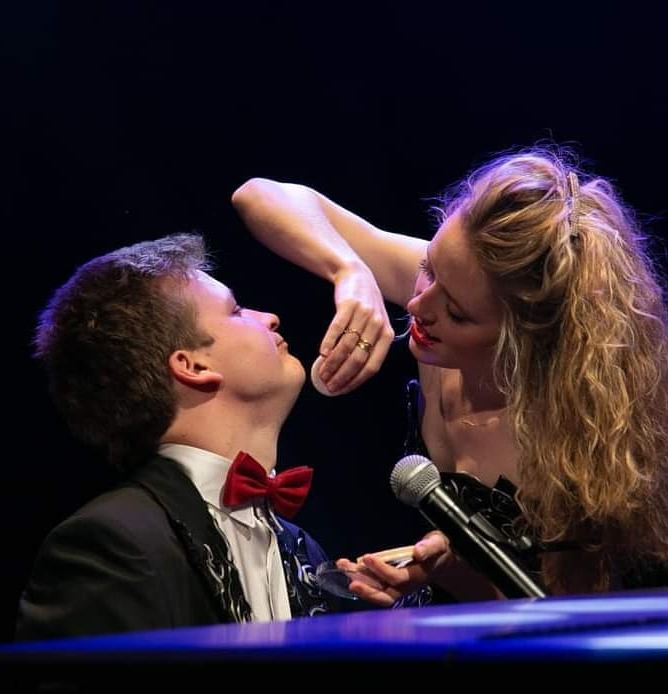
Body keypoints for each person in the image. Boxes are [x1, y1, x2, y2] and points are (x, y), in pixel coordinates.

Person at [232, 144, 668, 601]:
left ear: (526, 335)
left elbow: (564, 610)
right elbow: (258, 195)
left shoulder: (579, 426)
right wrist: (349, 269)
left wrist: (452, 574)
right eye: (428, 269)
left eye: (457, 314)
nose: (418, 304)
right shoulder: (458, 278)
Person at [17, 232, 340, 640]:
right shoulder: (110, 544)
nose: (269, 317)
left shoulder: (300, 546)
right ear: (193, 366)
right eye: (237, 311)